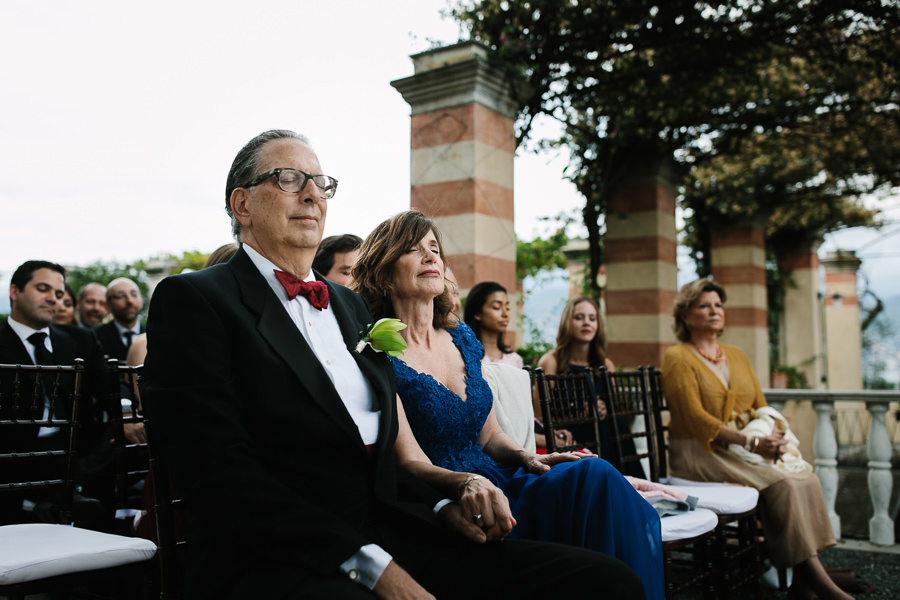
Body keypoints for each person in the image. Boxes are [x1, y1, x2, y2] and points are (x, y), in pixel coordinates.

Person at [140, 129, 642, 600]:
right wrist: (373, 568)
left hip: (399, 525)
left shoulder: (347, 306)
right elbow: (217, 475)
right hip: (278, 553)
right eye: (289, 179)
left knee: (606, 582)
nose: (312, 195)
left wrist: (445, 503)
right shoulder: (195, 300)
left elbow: (383, 451)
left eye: (321, 183)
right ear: (242, 203)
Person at [352, 210, 663, 600]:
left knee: (594, 473)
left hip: (500, 474)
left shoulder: (462, 337)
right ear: (383, 272)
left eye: (435, 248)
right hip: (449, 496)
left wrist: (527, 457)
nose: (431, 257)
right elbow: (410, 461)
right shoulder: (378, 350)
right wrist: (466, 482)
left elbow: (491, 433)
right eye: (413, 249)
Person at [662, 279, 852, 600]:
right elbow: (696, 419)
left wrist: (776, 433)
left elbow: (760, 404)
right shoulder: (677, 357)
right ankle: (819, 583)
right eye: (704, 306)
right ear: (685, 315)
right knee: (783, 485)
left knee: (805, 478)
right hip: (699, 452)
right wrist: (750, 443)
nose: (714, 311)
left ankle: (804, 582)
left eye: (718, 305)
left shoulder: (736, 354)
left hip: (742, 449)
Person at [0, 260, 110, 528]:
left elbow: (111, 391)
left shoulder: (81, 340)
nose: (53, 299)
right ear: (15, 292)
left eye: (59, 294)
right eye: (42, 288)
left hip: (75, 458)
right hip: (12, 464)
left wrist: (128, 408)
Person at [537, 296, 643, 476]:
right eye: (579, 317)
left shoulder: (605, 364)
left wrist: (604, 409)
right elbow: (537, 416)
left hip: (605, 434)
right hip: (570, 438)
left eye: (592, 318)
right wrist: (578, 415)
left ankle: (627, 483)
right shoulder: (551, 361)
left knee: (612, 423)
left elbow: (614, 408)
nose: (587, 323)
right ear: (567, 322)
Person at [463, 281, 524, 369]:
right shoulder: (465, 356)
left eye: (507, 308)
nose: (505, 314)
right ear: (477, 313)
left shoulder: (515, 360)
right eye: (496, 307)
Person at [95, 278, 145, 361]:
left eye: (134, 294)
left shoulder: (155, 335)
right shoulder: (95, 338)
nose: (130, 301)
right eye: (120, 296)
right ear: (107, 305)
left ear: (141, 300)